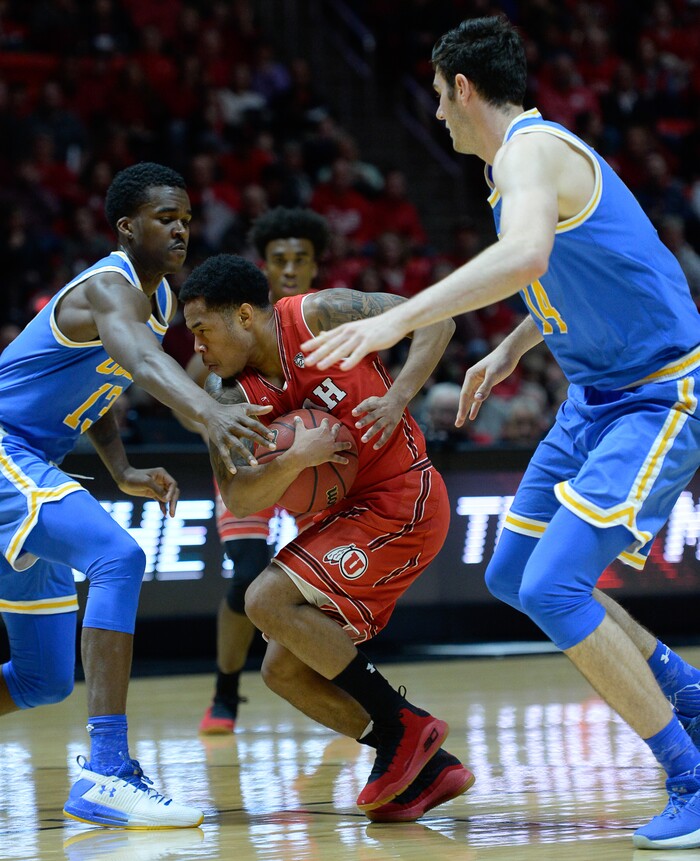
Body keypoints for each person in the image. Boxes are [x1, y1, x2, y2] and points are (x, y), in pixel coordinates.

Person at [301, 16, 700, 850]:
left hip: (661, 392)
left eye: (439, 97)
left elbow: (523, 256)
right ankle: (686, 694)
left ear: (463, 86)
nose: (437, 113)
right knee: (516, 574)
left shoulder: (530, 150)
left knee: (556, 583)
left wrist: (396, 321)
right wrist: (519, 342)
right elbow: (575, 261)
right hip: (594, 393)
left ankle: (689, 770)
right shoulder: (511, 167)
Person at [0, 162, 274, 829]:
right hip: (5, 446)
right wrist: (207, 413)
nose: (181, 228)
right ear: (127, 228)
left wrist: (120, 468)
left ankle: (107, 767)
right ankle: (107, 769)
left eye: (186, 218)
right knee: (117, 555)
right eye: (165, 218)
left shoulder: (153, 303)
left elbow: (99, 386)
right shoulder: (108, 289)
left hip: (32, 459)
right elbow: (142, 363)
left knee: (40, 679)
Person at [179, 254, 475, 822]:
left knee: (262, 598)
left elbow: (441, 319)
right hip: (346, 520)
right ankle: (429, 766)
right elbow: (239, 498)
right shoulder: (228, 400)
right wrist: (294, 459)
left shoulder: (320, 316)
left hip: (402, 499)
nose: (197, 348)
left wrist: (398, 396)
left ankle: (403, 727)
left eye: (201, 330)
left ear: (244, 316)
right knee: (281, 672)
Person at [195, 206, 331, 735]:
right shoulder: (231, 326)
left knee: (324, 580)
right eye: (281, 259)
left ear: (316, 266)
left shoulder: (318, 317)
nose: (291, 269)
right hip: (249, 456)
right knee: (248, 571)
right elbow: (192, 390)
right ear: (265, 266)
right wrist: (217, 421)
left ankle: (332, 681)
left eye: (301, 259)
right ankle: (225, 693)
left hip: (309, 459)